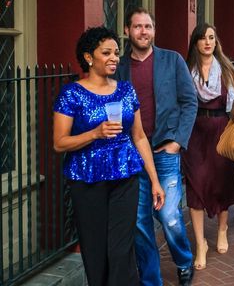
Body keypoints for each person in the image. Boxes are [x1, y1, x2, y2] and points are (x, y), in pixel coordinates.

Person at [53, 26, 165, 286]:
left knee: (121, 249)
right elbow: (59, 143)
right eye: (107, 52)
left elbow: (138, 137)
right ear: (89, 57)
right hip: (86, 178)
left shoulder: (126, 90)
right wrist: (94, 133)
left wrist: (155, 180)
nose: (115, 57)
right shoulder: (72, 93)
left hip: (125, 175)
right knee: (95, 250)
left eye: (116, 52)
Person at [116, 8, 198, 286]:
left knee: (170, 216)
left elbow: (190, 102)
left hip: (164, 151)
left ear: (154, 30)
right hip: (132, 153)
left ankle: (184, 260)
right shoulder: (119, 67)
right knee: (140, 223)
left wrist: (177, 142)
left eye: (148, 26)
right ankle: (151, 280)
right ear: (127, 31)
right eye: (137, 27)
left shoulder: (172, 60)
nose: (143, 31)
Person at [182, 23, 234, 271]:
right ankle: (200, 243)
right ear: (195, 43)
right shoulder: (186, 71)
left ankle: (223, 229)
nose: (208, 42)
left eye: (212, 38)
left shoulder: (226, 70)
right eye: (203, 38)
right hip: (195, 131)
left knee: (222, 182)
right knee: (195, 187)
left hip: (220, 129)